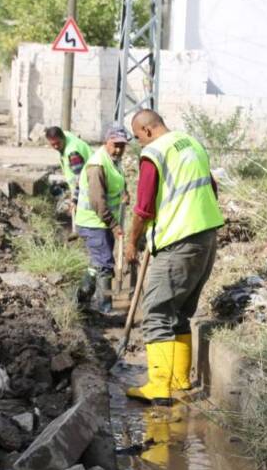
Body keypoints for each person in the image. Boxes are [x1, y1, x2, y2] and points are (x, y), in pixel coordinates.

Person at [124, 109, 224, 402]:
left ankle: (158, 385)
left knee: (156, 312)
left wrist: (134, 241)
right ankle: (180, 380)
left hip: (177, 242)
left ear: (146, 131)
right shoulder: (191, 143)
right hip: (206, 237)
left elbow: (143, 208)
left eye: (137, 137)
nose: (139, 143)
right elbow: (212, 188)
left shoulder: (154, 153)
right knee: (180, 312)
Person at [74, 124, 129, 314]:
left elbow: (118, 181)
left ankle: (81, 299)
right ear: (106, 142)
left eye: (122, 145)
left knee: (96, 264)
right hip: (93, 222)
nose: (119, 149)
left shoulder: (114, 160)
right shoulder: (97, 165)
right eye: (115, 144)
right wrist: (114, 225)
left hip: (102, 222)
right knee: (105, 265)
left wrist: (125, 192)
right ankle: (104, 308)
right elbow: (98, 201)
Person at [45, 126, 91, 230]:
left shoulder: (73, 153)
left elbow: (81, 180)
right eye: (53, 144)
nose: (56, 146)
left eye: (58, 143)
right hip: (86, 184)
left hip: (89, 187)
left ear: (63, 138)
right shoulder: (66, 135)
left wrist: (74, 200)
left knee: (87, 220)